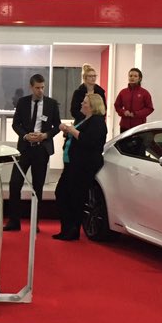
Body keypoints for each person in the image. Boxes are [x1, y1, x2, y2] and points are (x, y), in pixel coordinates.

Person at [5, 74, 61, 232]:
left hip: (41, 149)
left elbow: (57, 126)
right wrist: (24, 135)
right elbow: (16, 124)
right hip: (24, 148)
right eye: (37, 88)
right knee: (15, 183)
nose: (40, 91)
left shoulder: (51, 104)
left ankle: (34, 223)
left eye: (43, 87)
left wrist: (45, 135)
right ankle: (14, 221)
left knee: (38, 186)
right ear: (31, 87)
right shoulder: (23, 102)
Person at [54, 94, 108, 241]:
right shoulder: (85, 120)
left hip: (83, 165)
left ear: (92, 106)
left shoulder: (97, 122)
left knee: (74, 197)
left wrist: (72, 131)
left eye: (84, 103)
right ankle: (67, 228)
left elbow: (89, 141)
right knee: (63, 194)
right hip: (73, 164)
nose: (81, 105)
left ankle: (72, 229)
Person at [114, 67, 154, 132]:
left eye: (135, 76)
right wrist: (123, 112)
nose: (132, 78)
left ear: (139, 78)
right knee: (124, 142)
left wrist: (136, 114)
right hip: (124, 126)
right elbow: (117, 106)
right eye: (130, 76)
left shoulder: (145, 93)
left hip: (139, 126)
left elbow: (149, 108)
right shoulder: (123, 92)